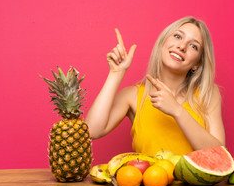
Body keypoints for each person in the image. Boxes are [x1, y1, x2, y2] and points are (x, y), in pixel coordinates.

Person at [85, 16, 225, 156]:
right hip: (150, 178)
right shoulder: (132, 96)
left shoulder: (208, 94)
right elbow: (92, 130)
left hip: (191, 179)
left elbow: (219, 155)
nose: (182, 46)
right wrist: (116, 73)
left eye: (193, 46)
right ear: (163, 43)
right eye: (177, 36)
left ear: (197, 64)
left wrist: (177, 110)